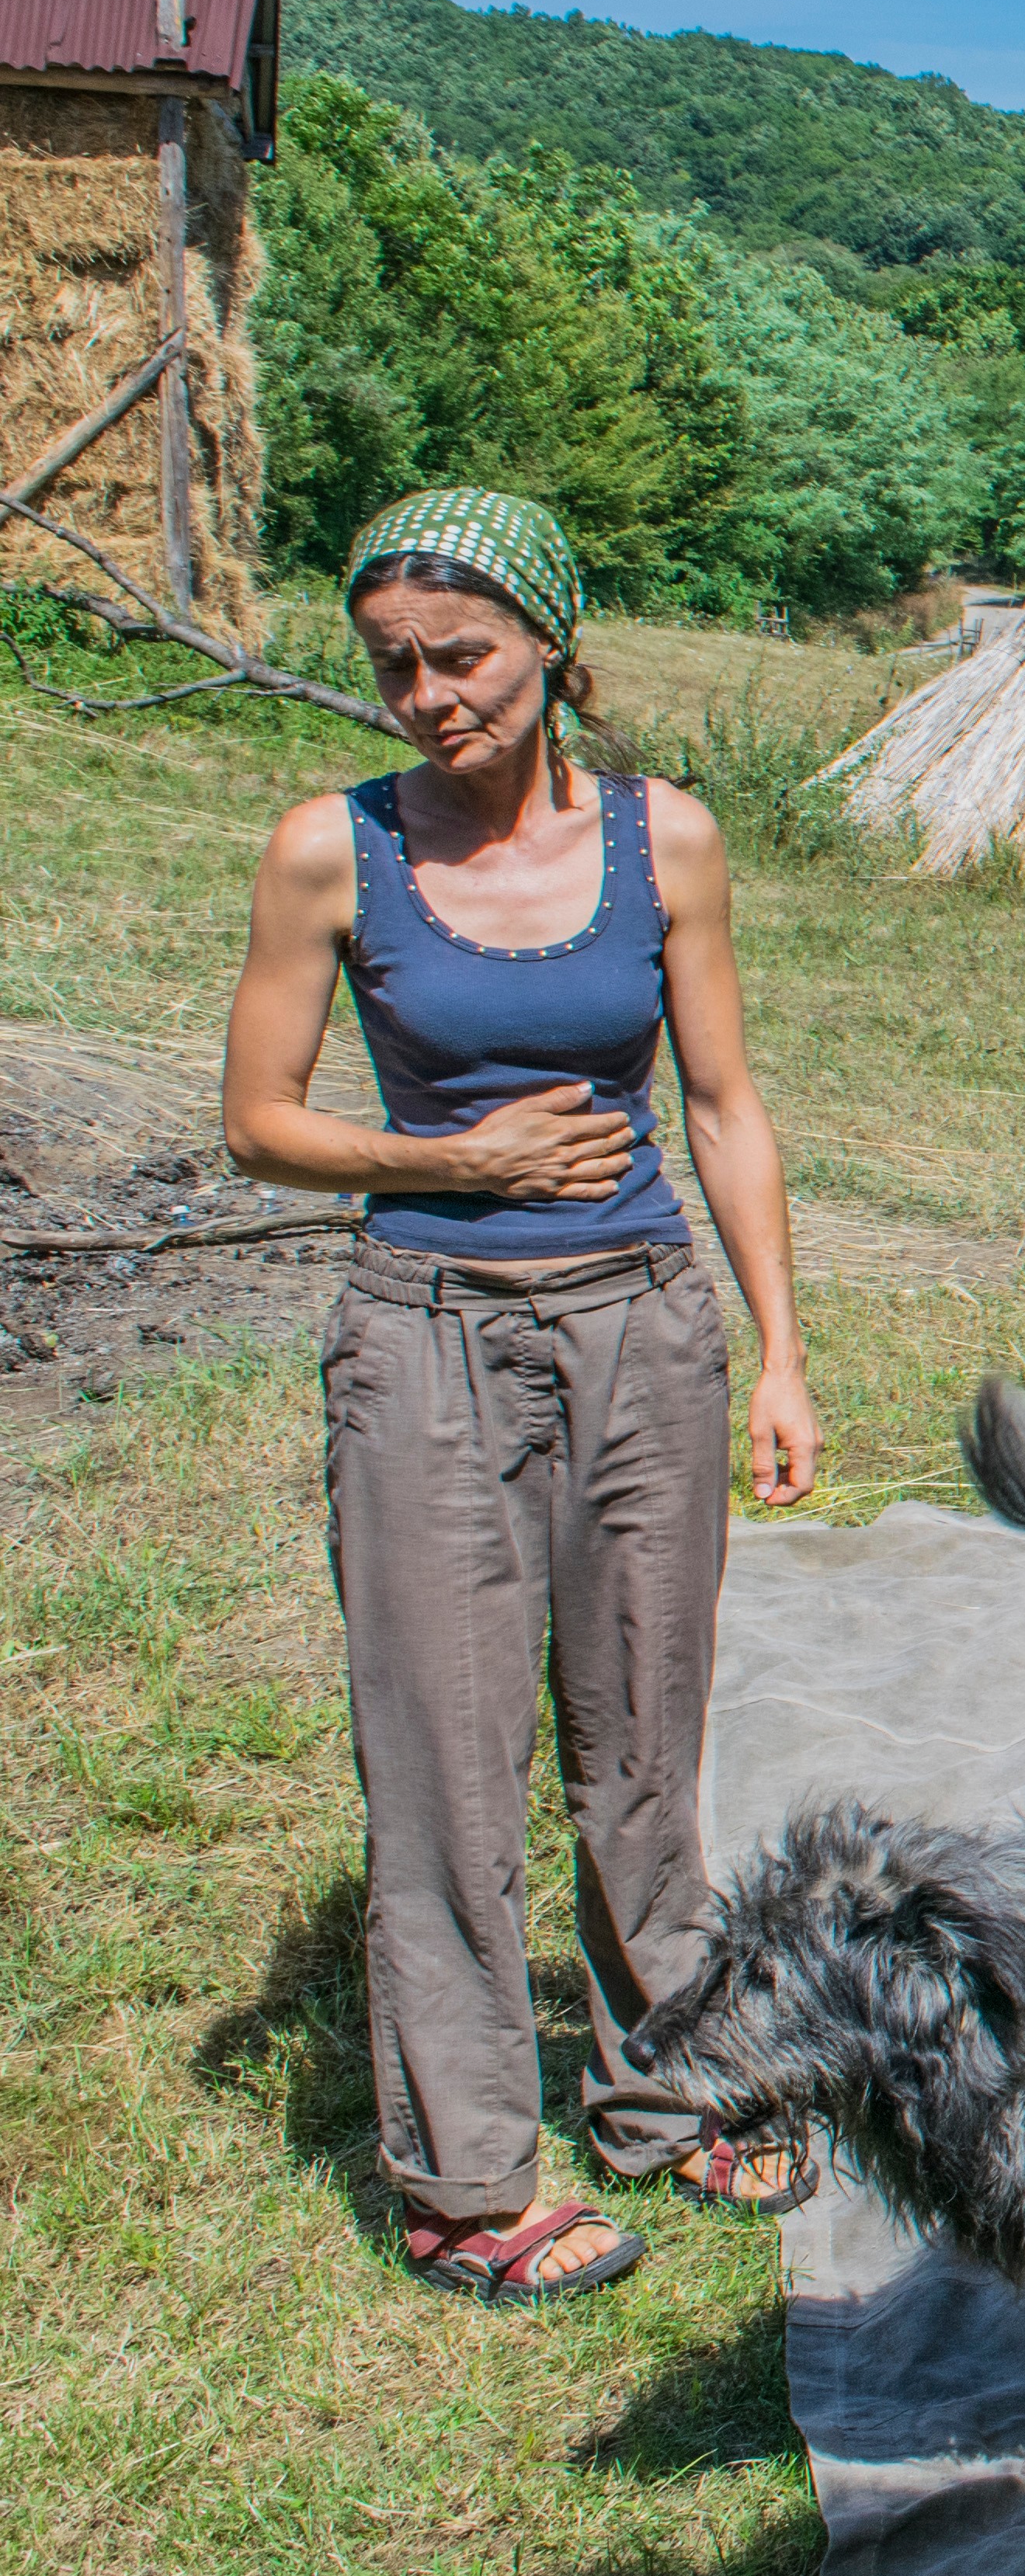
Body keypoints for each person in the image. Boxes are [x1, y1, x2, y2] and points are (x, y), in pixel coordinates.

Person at [221, 488, 825, 2307]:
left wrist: (779, 1346)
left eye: (463, 655)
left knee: (642, 1737)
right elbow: (257, 1121)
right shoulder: (332, 852)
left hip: (644, 1325)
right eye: (395, 664)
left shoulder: (670, 842)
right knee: (448, 1759)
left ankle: (666, 2087)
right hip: (424, 1334)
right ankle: (469, 2177)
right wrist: (451, 1156)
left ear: (552, 643)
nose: (427, 695)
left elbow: (722, 1102)